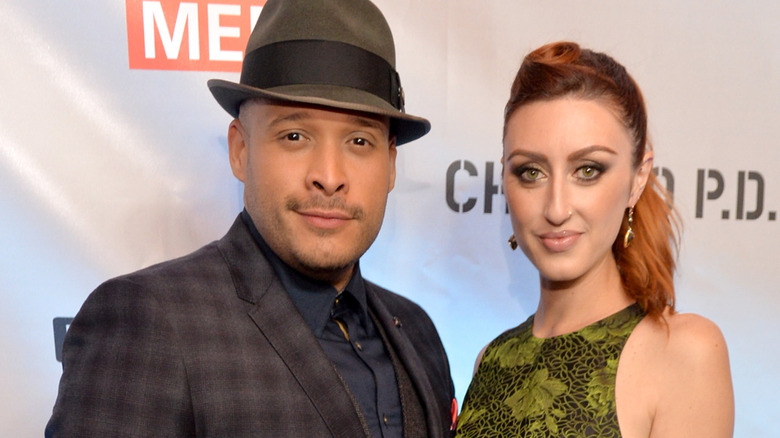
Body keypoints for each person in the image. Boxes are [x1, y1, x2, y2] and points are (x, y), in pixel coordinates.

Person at [46, 0, 456, 436]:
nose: (329, 177)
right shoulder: (149, 324)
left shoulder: (416, 329)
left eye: (359, 141)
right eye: (294, 136)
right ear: (241, 151)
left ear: (390, 165)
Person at [455, 41, 734, 438]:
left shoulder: (683, 352)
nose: (556, 208)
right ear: (505, 178)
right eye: (531, 172)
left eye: (587, 170)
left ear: (638, 178)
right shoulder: (491, 360)